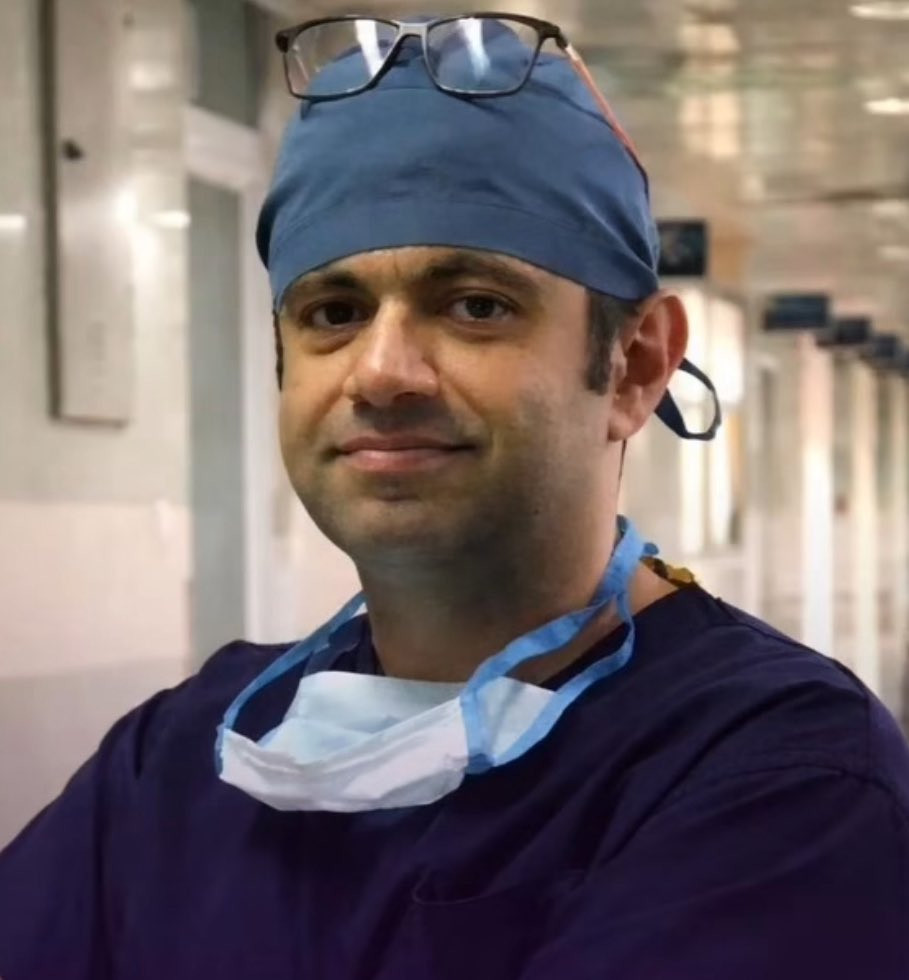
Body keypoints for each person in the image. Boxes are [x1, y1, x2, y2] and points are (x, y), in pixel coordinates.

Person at [2, 12, 908, 979]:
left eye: (476, 305)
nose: (381, 372)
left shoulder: (775, 773)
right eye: (334, 313)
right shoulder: (178, 758)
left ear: (636, 365)